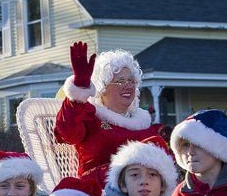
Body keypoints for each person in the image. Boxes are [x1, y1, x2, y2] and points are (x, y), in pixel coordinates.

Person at [54, 42, 162, 187]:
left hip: (144, 193)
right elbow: (68, 133)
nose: (128, 85)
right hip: (101, 192)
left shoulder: (143, 121)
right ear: (102, 87)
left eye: (131, 81)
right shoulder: (90, 115)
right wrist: (80, 88)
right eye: (120, 81)